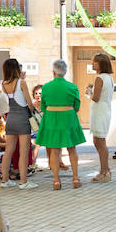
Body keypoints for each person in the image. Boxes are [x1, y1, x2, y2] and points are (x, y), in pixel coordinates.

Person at [37, 59, 86, 190]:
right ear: (65, 72)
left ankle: (56, 181)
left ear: (53, 72)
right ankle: (75, 178)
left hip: (52, 119)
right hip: (68, 119)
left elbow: (43, 106)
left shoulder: (46, 87)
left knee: (54, 150)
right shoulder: (72, 87)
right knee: (72, 149)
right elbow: (77, 106)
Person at [0, 59, 36, 189]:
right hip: (22, 118)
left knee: (9, 151)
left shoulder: (3, 83)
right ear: (16, 69)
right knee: (24, 151)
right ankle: (23, 182)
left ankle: (5, 180)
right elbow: (29, 103)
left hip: (10, 119)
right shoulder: (21, 82)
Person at [88, 53, 114, 183]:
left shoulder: (99, 78)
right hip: (105, 110)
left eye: (95, 62)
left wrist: (89, 93)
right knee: (98, 140)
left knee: (100, 141)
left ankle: (104, 172)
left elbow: (96, 97)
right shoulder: (109, 78)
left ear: (101, 64)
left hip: (99, 111)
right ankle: (106, 169)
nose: (92, 64)